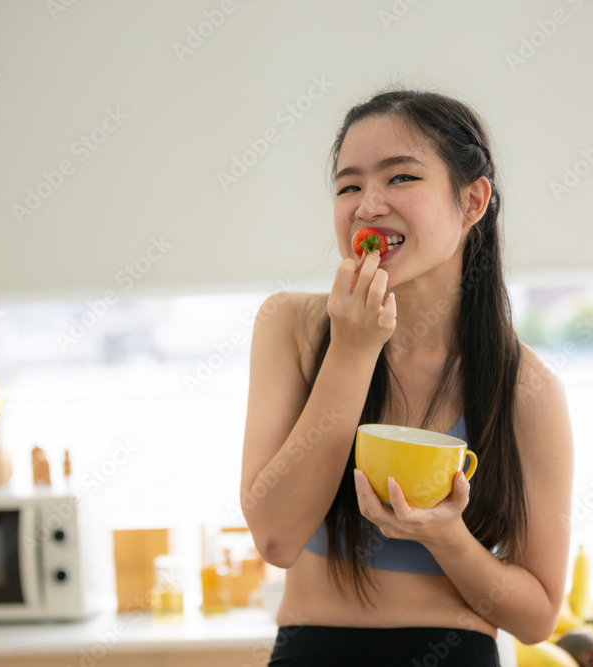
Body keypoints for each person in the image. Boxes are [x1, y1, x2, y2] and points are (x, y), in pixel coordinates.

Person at [240, 86, 574, 666]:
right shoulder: (290, 326)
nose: (367, 205)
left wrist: (445, 535)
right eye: (348, 186)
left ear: (471, 202)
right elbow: (276, 537)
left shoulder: (525, 388)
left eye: (400, 178)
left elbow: (537, 615)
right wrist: (351, 350)